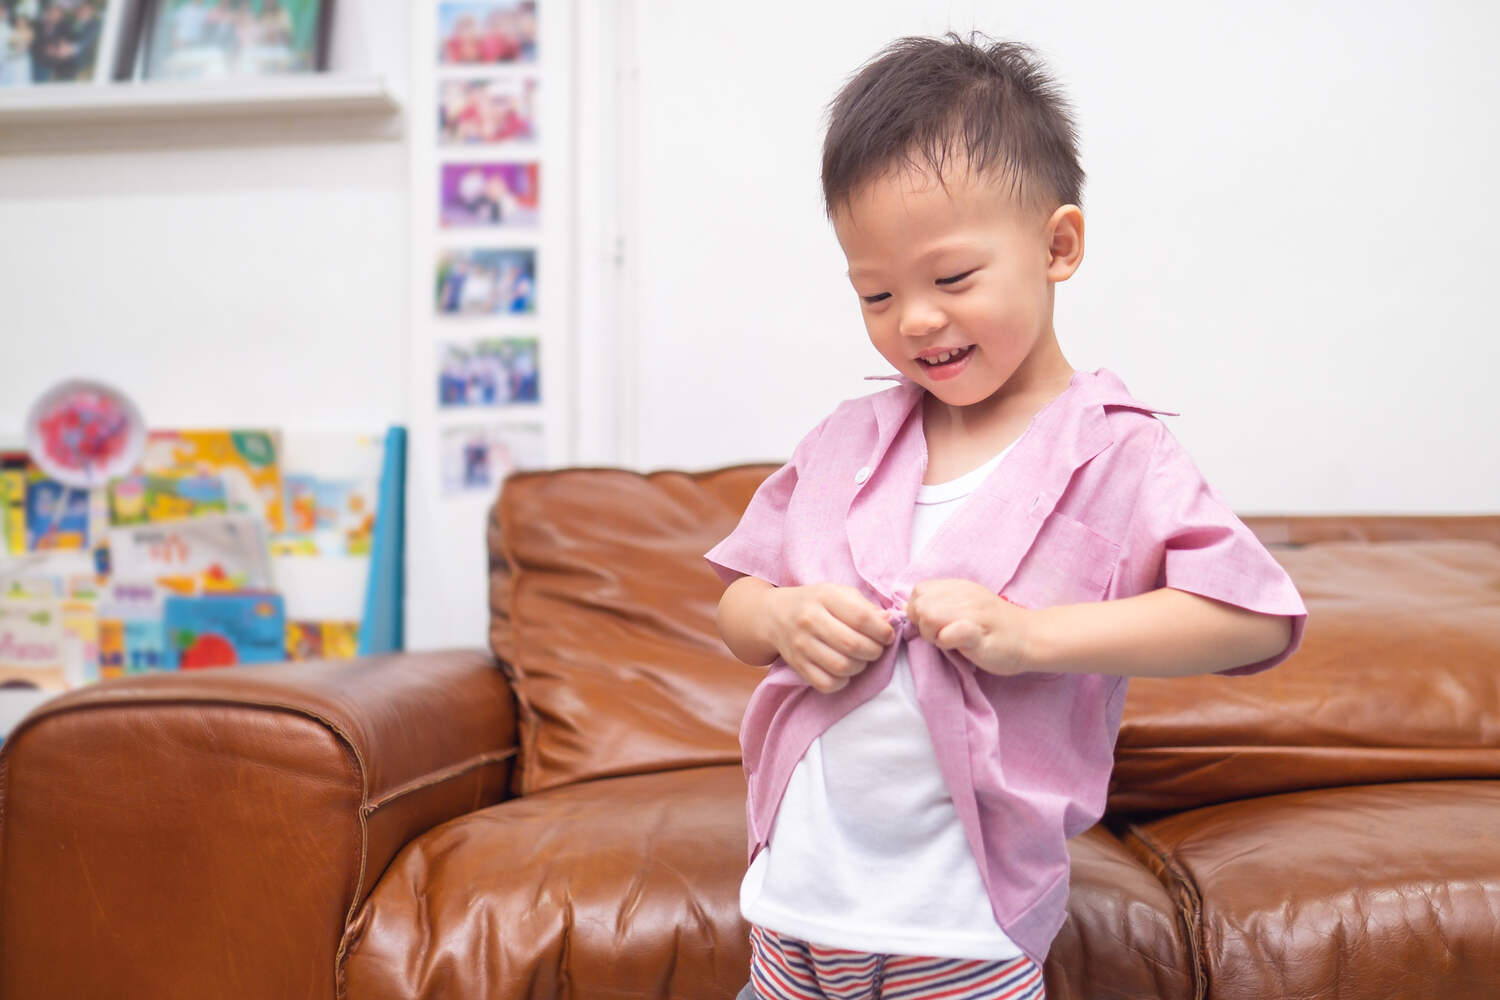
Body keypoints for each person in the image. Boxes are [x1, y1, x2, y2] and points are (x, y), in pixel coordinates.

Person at [707, 34, 1307, 1000]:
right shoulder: (844, 442)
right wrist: (777, 619)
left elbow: (1254, 617)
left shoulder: (1118, 454)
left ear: (1057, 245)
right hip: (795, 910)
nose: (915, 321)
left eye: (951, 280)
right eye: (876, 293)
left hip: (963, 928)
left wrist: (1034, 637)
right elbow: (737, 601)